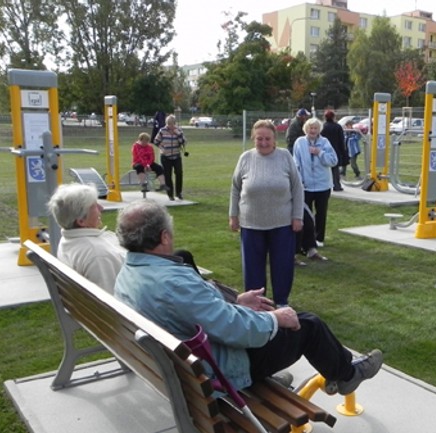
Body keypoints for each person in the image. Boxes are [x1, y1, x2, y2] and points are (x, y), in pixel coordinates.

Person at [113, 199, 383, 395]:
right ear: (163, 236)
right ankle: (347, 375)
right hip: (216, 371)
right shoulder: (172, 283)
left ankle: (335, 370)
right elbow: (237, 330)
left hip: (180, 365)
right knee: (308, 325)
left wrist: (235, 302)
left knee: (279, 320)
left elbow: (202, 313)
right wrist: (276, 319)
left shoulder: (130, 271)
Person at [229, 119, 304, 307]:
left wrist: (297, 216)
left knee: (282, 265)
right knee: (253, 267)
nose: (263, 142)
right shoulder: (245, 158)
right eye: (259, 138)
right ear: (254, 138)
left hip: (282, 224)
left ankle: (281, 301)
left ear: (274, 139)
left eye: (267, 139)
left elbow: (297, 188)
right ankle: (258, 303)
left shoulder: (285, 156)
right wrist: (233, 215)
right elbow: (235, 188)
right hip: (251, 224)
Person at [46, 183, 125, 293]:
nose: (101, 208)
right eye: (94, 206)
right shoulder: (98, 255)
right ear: (81, 221)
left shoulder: (69, 240)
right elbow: (111, 301)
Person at [293, 117, 338, 248]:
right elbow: (296, 162)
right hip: (305, 186)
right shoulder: (299, 142)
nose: (313, 130)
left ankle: (319, 238)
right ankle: (304, 240)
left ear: (319, 130)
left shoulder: (325, 142)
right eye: (310, 128)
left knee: (321, 213)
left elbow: (333, 161)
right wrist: (299, 180)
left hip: (323, 185)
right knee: (305, 215)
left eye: (315, 128)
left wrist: (320, 153)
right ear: (306, 129)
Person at [154, 114, 186, 201]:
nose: (170, 126)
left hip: (176, 156)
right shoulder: (162, 130)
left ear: (174, 123)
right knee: (167, 175)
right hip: (165, 157)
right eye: (168, 124)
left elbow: (183, 142)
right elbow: (156, 141)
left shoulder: (179, 130)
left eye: (172, 124)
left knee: (179, 173)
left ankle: (179, 193)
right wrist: (161, 148)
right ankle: (170, 194)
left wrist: (178, 134)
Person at [320, 110, 348, 191]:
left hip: (324, 150)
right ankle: (336, 185)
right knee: (335, 169)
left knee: (324, 168)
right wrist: (343, 152)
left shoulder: (322, 127)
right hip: (336, 150)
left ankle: (324, 185)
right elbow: (341, 141)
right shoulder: (337, 127)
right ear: (333, 117)